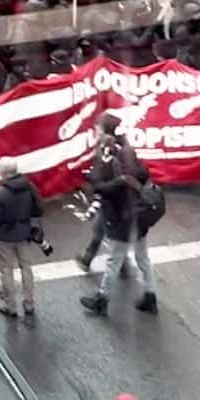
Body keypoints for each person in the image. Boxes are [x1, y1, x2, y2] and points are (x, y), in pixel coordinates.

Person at [80, 115, 159, 316]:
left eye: (99, 127)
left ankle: (102, 299)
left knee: (114, 261)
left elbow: (105, 189)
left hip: (122, 219)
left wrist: (96, 180)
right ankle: (150, 296)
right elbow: (143, 174)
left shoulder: (110, 159)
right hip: (139, 216)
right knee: (143, 259)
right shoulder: (128, 151)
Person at [0, 156, 44, 319]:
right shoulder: (29, 186)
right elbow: (39, 208)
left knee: (7, 270)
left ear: (3, 172)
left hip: (4, 236)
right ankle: (29, 303)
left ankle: (11, 306)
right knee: (26, 267)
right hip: (24, 233)